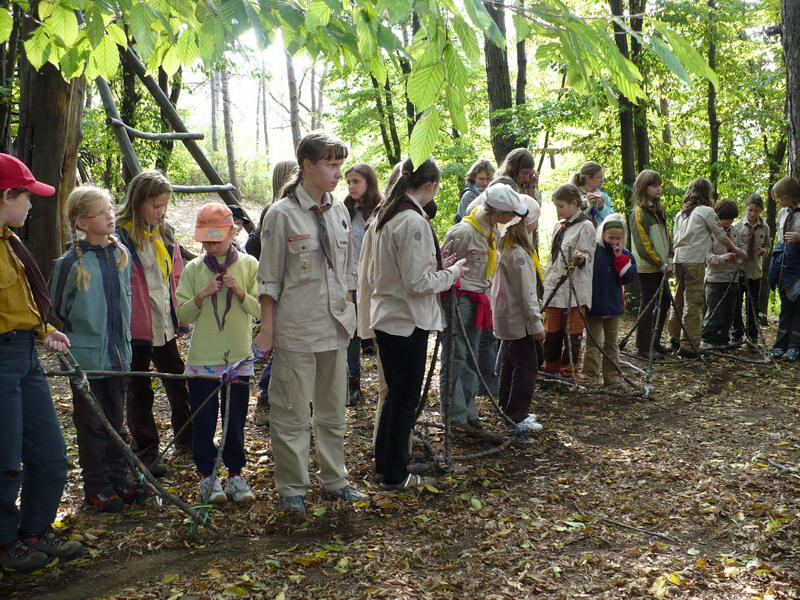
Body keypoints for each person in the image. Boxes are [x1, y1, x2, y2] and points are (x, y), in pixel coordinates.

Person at [254, 131, 368, 514]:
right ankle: (292, 489)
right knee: (291, 413)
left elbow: (347, 271)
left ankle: (336, 480)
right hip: (297, 328)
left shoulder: (338, 209)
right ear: (307, 166)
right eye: (331, 165)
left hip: (335, 327)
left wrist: (351, 312)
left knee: (334, 411)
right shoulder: (281, 214)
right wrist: (268, 330)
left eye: (339, 164)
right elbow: (269, 279)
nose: (338, 173)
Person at [0, 153, 84, 571]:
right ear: (5, 195)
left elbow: (18, 302)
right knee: (4, 458)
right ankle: (4, 543)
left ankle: (35, 529)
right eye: (26, 196)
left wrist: (43, 329)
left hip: (23, 354)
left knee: (49, 451)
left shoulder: (9, 242)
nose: (31, 205)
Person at [369, 157, 465, 489]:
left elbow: (409, 270)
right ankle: (394, 474)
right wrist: (452, 273)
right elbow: (417, 282)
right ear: (430, 185)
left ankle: (387, 464)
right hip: (404, 321)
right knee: (404, 398)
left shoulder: (390, 215)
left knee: (397, 396)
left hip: (392, 317)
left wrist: (439, 266)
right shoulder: (410, 220)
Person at [50, 186, 145, 513]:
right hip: (87, 361)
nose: (110, 216)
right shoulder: (69, 263)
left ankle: (120, 479)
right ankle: (98, 486)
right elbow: (57, 311)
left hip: (119, 357)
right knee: (92, 424)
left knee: (117, 422)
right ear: (81, 222)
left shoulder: (122, 255)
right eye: (101, 212)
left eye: (110, 210)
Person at [176, 203, 260, 504]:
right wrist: (201, 295)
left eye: (217, 240)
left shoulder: (249, 264)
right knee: (204, 419)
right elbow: (183, 315)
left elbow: (261, 309)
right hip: (202, 359)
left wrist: (240, 293)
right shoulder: (194, 269)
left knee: (235, 419)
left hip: (237, 356)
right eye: (206, 241)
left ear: (232, 232)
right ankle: (207, 476)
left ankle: (236, 474)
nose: (211, 246)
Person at [116, 170, 191, 476]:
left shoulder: (167, 232)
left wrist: (180, 312)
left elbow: (175, 274)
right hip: (136, 326)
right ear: (137, 201)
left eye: (164, 206)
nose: (160, 212)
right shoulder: (119, 235)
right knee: (139, 389)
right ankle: (146, 451)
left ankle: (187, 438)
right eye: (155, 206)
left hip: (163, 321)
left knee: (176, 378)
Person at [440, 184, 527, 432]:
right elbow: (444, 268)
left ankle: (468, 412)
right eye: (510, 212)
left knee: (471, 357)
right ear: (496, 210)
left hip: (479, 299)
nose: (513, 218)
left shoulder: (492, 232)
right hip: (459, 300)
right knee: (455, 358)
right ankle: (453, 416)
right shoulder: (464, 232)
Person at [668, 178, 746, 358]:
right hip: (694, 260)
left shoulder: (682, 214)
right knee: (693, 303)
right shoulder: (706, 211)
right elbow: (721, 236)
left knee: (678, 299)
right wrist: (736, 249)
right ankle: (689, 346)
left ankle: (674, 338)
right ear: (707, 193)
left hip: (679, 259)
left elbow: (675, 238)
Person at [246, 160, 298, 427]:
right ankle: (265, 401)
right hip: (275, 292)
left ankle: (278, 401)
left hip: (288, 292)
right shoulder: (275, 211)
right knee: (277, 350)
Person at [492, 194, 543, 434]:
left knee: (510, 364)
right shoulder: (519, 254)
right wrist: (536, 325)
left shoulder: (508, 249)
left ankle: (507, 408)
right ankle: (517, 414)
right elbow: (526, 294)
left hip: (508, 318)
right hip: (517, 321)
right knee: (527, 367)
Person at [541, 183, 596, 380]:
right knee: (552, 331)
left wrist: (581, 259)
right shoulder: (559, 226)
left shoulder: (586, 226)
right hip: (555, 286)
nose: (558, 210)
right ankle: (550, 368)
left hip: (575, 288)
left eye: (561, 206)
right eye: (556, 206)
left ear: (574, 204)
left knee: (572, 334)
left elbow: (589, 255)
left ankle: (569, 371)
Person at [343, 163, 382, 406]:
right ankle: (351, 384)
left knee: (378, 333)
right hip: (351, 281)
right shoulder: (345, 209)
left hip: (377, 281)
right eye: (348, 182)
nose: (351, 186)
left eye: (356, 181)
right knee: (351, 334)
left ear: (368, 181)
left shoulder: (382, 209)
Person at [584, 214, 637, 386]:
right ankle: (590, 375)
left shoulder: (625, 254)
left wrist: (619, 258)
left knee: (611, 343)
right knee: (593, 343)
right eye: (611, 237)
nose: (614, 241)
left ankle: (612, 376)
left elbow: (627, 278)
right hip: (594, 304)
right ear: (603, 234)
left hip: (613, 305)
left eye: (618, 238)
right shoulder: (594, 250)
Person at [628, 170, 672, 360]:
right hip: (648, 268)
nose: (658, 188)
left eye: (659, 185)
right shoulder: (639, 213)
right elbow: (643, 244)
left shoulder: (657, 210)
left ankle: (654, 342)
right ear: (644, 188)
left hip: (661, 266)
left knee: (664, 302)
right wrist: (660, 262)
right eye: (654, 185)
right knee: (649, 304)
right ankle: (644, 347)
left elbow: (666, 237)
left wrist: (669, 258)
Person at [700, 199, 744, 350]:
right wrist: (722, 258)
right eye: (727, 218)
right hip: (715, 279)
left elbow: (742, 250)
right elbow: (705, 256)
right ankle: (708, 340)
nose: (730, 221)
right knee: (714, 312)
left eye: (732, 218)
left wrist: (739, 254)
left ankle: (723, 339)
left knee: (729, 312)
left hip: (732, 278)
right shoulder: (710, 234)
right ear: (718, 217)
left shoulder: (735, 232)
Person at [732, 194, 771, 347]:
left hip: (755, 272)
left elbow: (768, 245)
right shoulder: (737, 226)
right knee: (736, 304)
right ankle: (736, 334)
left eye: (756, 211)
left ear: (761, 210)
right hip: (739, 271)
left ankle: (752, 336)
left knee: (752, 305)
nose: (753, 214)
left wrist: (764, 251)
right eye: (750, 210)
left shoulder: (765, 227)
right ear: (745, 208)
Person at [768, 176, 800, 361]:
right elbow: (780, 237)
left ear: (789, 195)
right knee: (786, 304)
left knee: (797, 305)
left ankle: (794, 346)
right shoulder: (782, 213)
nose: (778, 201)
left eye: (780, 197)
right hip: (783, 260)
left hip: (798, 262)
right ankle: (780, 344)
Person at [572, 161, 615, 226]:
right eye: (599, 177)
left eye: (602, 177)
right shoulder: (574, 195)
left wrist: (601, 208)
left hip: (600, 235)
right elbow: (572, 219)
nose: (602, 180)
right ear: (588, 178)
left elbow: (612, 219)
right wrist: (588, 204)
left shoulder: (603, 196)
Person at [455, 159, 495, 223]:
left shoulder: (493, 193)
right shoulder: (469, 195)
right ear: (473, 177)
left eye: (488, 179)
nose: (485, 183)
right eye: (481, 179)